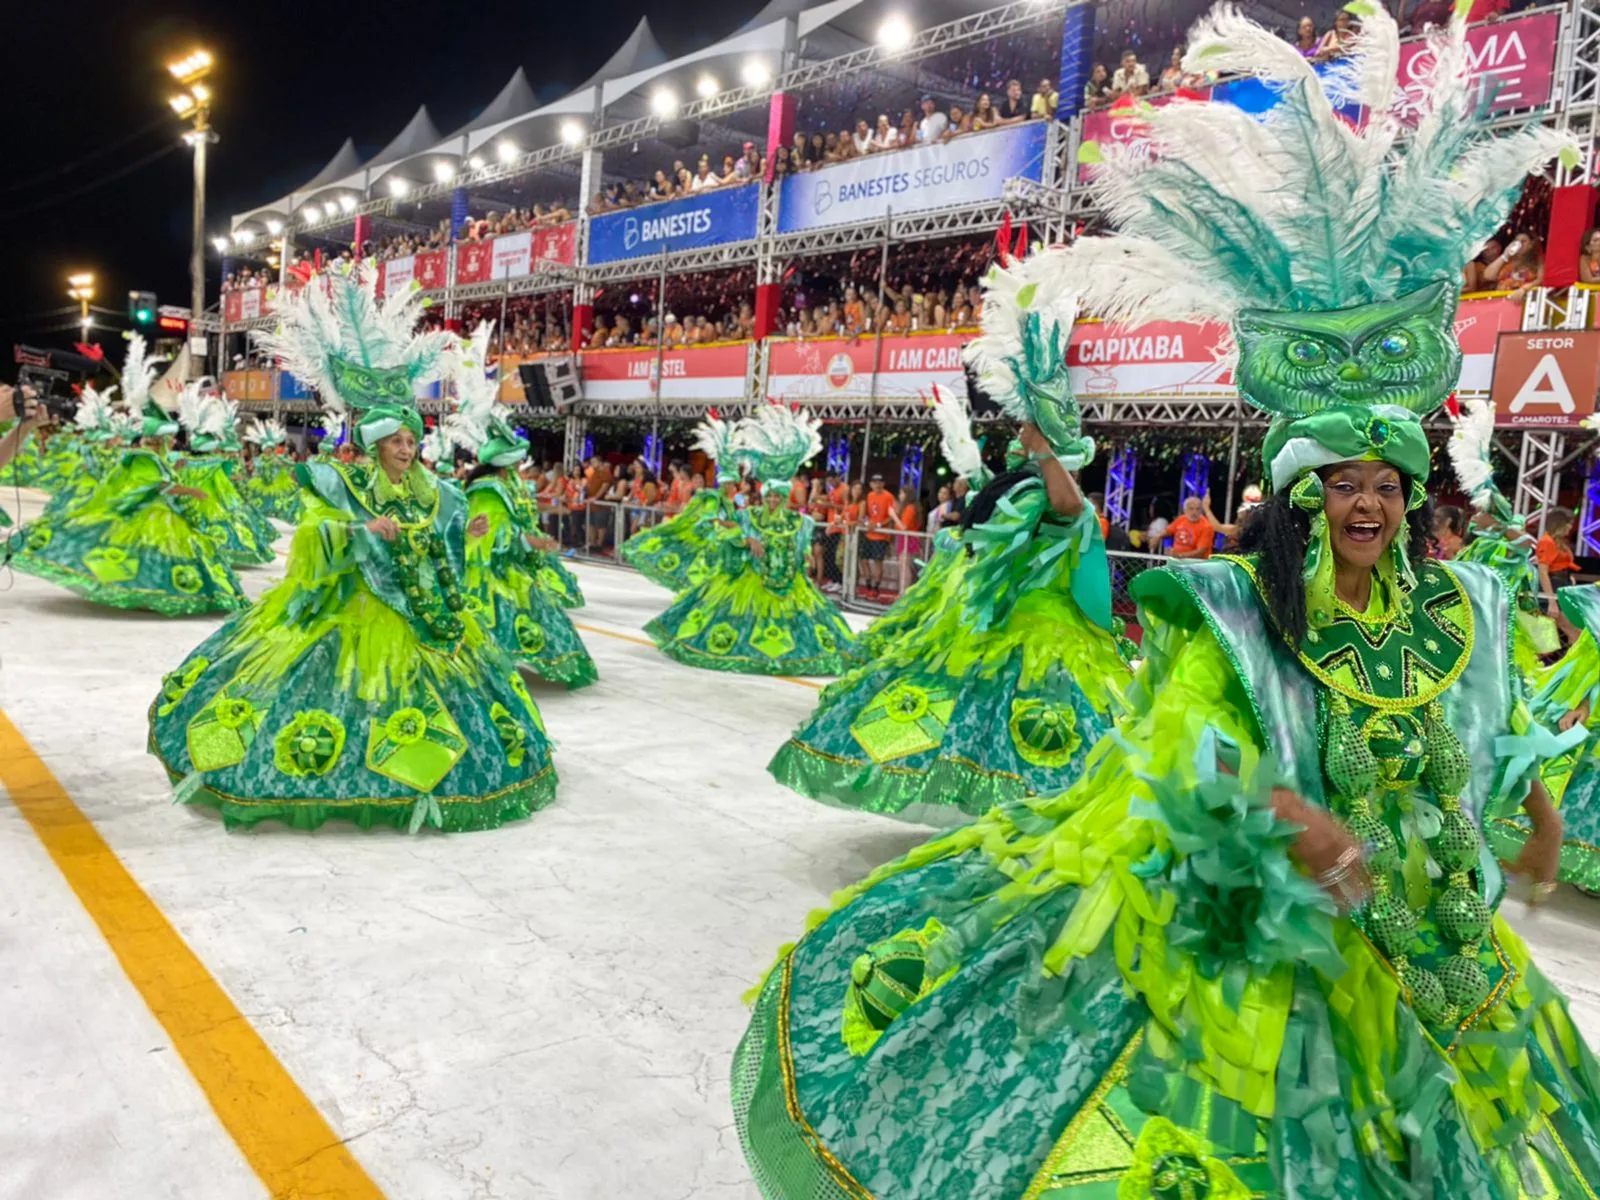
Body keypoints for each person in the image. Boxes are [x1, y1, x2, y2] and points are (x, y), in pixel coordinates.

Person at [734, 10, 1599, 1192]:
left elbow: (1482, 727)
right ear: (1299, 499)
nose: (1366, 504)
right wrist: (1294, 819)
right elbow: (1186, 746)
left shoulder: (1463, 607)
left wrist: (1532, 801)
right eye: (1340, 483)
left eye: (1383, 483)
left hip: (1438, 942)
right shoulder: (1234, 610)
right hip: (1281, 942)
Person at [150, 263, 558, 833]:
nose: (407, 448)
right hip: (350, 607)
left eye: (412, 438)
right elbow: (312, 539)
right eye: (397, 440)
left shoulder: (434, 491)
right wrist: (358, 532)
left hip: (420, 615)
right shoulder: (339, 483)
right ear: (373, 443)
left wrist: (463, 536)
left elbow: (439, 537)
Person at [769, 280, 1130, 823]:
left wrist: (1046, 454)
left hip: (1052, 633)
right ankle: (954, 789)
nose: (1018, 437)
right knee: (950, 702)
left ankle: (1046, 814)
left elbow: (1071, 510)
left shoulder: (1057, 493)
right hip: (989, 622)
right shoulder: (1018, 488)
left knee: (1041, 728)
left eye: (1028, 433)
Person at [11, 339, 247, 616]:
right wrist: (192, 492)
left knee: (154, 559)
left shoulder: (154, 457)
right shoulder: (144, 458)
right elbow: (159, 486)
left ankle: (152, 592)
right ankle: (148, 592)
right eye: (167, 438)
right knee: (147, 557)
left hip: (160, 513)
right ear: (157, 439)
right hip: (153, 517)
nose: (171, 442)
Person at [646, 406, 855, 674]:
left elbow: (802, 547)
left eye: (777, 496)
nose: (772, 500)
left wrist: (803, 557)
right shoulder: (748, 515)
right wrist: (746, 541)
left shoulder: (801, 522)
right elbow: (730, 530)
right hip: (750, 575)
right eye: (769, 495)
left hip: (788, 580)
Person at [446, 324, 596, 689]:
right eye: (515, 460)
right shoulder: (487, 489)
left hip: (515, 564)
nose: (519, 466)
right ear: (505, 462)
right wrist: (530, 541)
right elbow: (494, 534)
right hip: (491, 571)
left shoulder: (506, 483)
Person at [621, 414, 742, 591]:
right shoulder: (710, 497)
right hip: (706, 539)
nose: (730, 487)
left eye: (732, 484)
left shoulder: (731, 501)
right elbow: (702, 517)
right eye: (727, 483)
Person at [858, 473, 896, 598]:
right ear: (871, 484)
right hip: (869, 533)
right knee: (863, 559)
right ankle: (868, 584)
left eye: (880, 482)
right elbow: (867, 514)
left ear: (883, 484)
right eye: (875, 482)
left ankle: (876, 587)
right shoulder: (869, 495)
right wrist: (867, 523)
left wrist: (879, 525)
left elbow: (892, 516)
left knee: (877, 562)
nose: (877, 484)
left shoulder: (889, 496)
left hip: (881, 535)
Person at [1165, 492, 1215, 559]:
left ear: (1201, 511)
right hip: (1177, 559)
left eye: (1198, 509)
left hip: (1196, 563)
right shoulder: (1182, 519)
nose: (1194, 512)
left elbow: (1200, 553)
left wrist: (1180, 556)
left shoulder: (1206, 526)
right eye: (1191, 509)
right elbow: (1168, 531)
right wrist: (1157, 537)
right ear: (1185, 510)